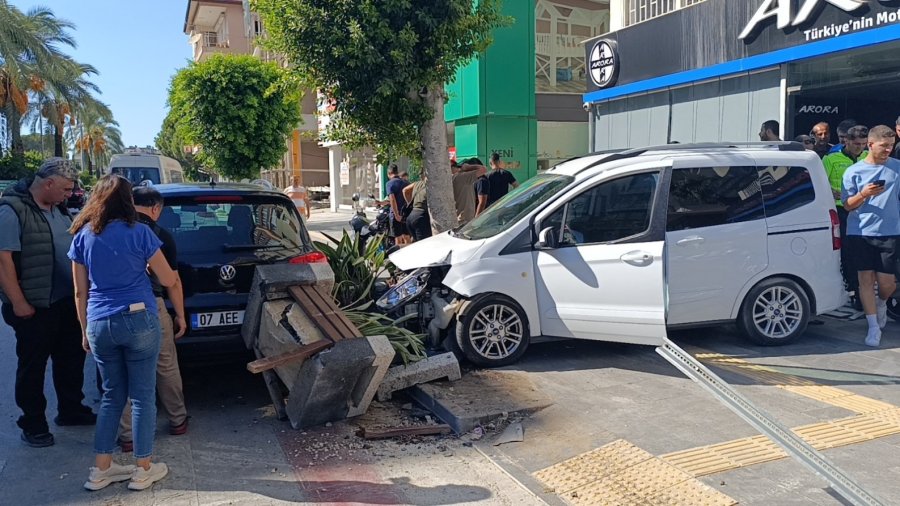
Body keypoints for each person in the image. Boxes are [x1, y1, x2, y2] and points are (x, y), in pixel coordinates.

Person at [69, 174, 177, 491]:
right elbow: (169, 279)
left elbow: (80, 292)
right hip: (138, 318)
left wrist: (84, 331)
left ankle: (101, 469)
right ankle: (143, 467)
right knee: (142, 396)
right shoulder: (140, 233)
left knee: (111, 397)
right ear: (128, 201)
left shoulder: (83, 236)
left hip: (99, 323)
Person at [0, 158, 96, 448]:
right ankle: (33, 422)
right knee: (33, 365)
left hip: (65, 301)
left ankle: (70, 409)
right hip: (35, 304)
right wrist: (18, 302)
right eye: (66, 189)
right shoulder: (11, 211)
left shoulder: (59, 209)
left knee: (71, 358)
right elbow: (3, 261)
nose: (69, 195)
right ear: (48, 182)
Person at [116, 186, 189, 454]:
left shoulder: (102, 231)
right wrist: (180, 315)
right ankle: (178, 420)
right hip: (151, 306)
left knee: (121, 372)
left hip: (112, 310)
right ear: (156, 209)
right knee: (165, 365)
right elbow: (172, 281)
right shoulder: (159, 235)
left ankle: (127, 436)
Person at [841, 125, 900, 348]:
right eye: (884, 146)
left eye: (891, 146)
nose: (888, 150)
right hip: (860, 232)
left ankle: (882, 302)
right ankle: (873, 326)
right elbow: (847, 205)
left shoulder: (897, 168)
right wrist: (864, 194)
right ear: (871, 145)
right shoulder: (854, 172)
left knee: (887, 283)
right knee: (865, 280)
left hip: (890, 232)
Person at [824, 125, 868, 307]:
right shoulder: (831, 159)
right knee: (848, 252)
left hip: (865, 211)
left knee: (865, 252)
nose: (860, 148)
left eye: (864, 144)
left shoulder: (868, 157)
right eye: (856, 144)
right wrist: (830, 191)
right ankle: (854, 290)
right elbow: (819, 183)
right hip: (842, 211)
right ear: (846, 141)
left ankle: (865, 290)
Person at [452, 158, 487, 226]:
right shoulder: (462, 177)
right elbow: (483, 169)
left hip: (461, 217)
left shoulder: (455, 178)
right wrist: (469, 167)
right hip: (464, 219)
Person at [385, 164, 410, 245]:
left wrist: (396, 215)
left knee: (398, 238)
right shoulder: (406, 182)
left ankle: (398, 255)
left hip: (396, 215)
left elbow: (392, 199)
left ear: (389, 173)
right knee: (407, 236)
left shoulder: (389, 183)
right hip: (406, 213)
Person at [403, 178, 431, 242]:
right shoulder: (432, 185)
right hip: (421, 218)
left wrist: (409, 202)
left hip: (411, 216)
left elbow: (404, 190)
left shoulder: (418, 183)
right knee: (423, 245)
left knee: (416, 243)